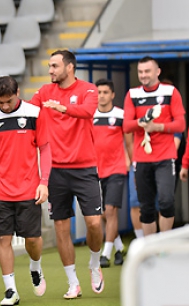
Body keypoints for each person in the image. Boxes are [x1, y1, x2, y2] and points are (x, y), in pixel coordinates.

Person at [29, 50, 104, 299]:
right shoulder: (43, 92)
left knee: (94, 222)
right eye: (49, 66)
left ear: (69, 67)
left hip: (85, 168)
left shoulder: (88, 89)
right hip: (55, 171)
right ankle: (73, 282)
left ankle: (94, 263)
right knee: (61, 228)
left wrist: (62, 108)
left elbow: (87, 111)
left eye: (54, 66)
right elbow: (28, 112)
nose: (50, 70)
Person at [0, 76, 50, 305]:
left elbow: (45, 149)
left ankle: (35, 266)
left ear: (17, 92)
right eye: (0, 103)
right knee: (3, 239)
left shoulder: (35, 113)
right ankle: (11, 291)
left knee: (33, 240)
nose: (4, 107)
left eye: (8, 101)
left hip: (29, 189)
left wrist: (44, 182)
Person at [123, 56, 186, 236]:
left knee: (166, 202)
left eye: (147, 71)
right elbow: (127, 125)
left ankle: (164, 245)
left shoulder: (170, 92)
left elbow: (181, 125)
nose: (143, 75)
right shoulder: (132, 94)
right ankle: (151, 249)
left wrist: (158, 126)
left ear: (157, 72)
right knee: (146, 207)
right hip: (141, 159)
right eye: (140, 72)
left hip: (166, 157)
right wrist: (143, 122)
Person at [93, 79, 131, 267]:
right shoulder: (90, 115)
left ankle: (105, 254)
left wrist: (130, 161)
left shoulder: (121, 115)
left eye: (105, 92)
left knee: (110, 211)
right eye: (99, 92)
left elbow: (129, 141)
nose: (101, 96)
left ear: (112, 95)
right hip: (95, 171)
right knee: (101, 214)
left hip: (116, 169)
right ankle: (118, 247)